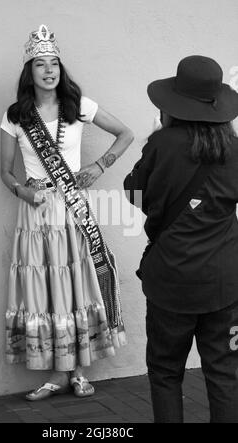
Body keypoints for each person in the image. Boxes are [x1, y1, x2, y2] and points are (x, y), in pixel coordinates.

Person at [0, 25, 133, 401]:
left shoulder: (80, 106)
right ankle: (56, 375)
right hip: (36, 214)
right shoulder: (14, 116)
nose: (48, 70)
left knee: (75, 283)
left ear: (61, 68)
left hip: (72, 210)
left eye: (54, 63)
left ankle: (77, 370)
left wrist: (100, 165)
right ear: (30, 71)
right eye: (40, 64)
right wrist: (22, 191)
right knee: (46, 288)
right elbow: (5, 173)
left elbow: (125, 133)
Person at [124, 55, 238, 423]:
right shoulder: (234, 149)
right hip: (225, 281)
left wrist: (152, 145)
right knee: (224, 374)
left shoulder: (162, 144)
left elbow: (135, 197)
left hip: (171, 279)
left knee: (165, 372)